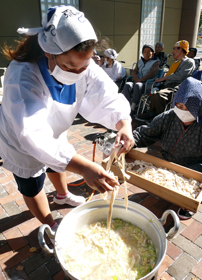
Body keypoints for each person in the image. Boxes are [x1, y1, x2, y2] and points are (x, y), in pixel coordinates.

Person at [0, 6, 134, 232]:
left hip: (55, 130)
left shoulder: (84, 64)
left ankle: (62, 195)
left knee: (58, 160)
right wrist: (84, 169)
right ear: (48, 52)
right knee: (32, 185)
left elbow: (107, 94)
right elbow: (32, 134)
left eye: (84, 66)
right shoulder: (22, 73)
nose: (78, 72)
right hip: (21, 142)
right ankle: (51, 225)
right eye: (69, 66)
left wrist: (125, 124)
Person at [133, 77, 202, 219]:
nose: (183, 112)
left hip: (196, 164)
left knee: (196, 176)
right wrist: (129, 140)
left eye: (189, 108)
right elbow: (145, 133)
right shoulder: (169, 116)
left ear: (199, 106)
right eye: (179, 106)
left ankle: (188, 203)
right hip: (170, 160)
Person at [139, 40, 195, 120]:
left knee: (159, 94)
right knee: (154, 92)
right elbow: (169, 75)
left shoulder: (189, 62)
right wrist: (162, 78)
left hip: (177, 87)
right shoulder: (176, 62)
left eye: (175, 49)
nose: (172, 52)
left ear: (181, 49)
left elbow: (180, 76)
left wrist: (165, 78)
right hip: (166, 86)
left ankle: (160, 119)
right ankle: (152, 114)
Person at [123, 44, 160, 117]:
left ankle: (133, 108)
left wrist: (140, 80)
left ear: (152, 53)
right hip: (137, 81)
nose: (146, 53)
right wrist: (137, 79)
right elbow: (134, 72)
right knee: (128, 84)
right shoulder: (140, 61)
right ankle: (126, 105)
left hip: (147, 83)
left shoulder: (156, 62)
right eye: (144, 51)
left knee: (137, 85)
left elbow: (151, 74)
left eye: (148, 52)